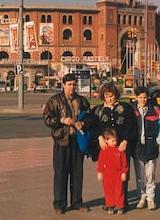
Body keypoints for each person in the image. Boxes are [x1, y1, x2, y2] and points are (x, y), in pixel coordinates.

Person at [43, 73, 93, 215]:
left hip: (78, 141)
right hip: (62, 141)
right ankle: (59, 204)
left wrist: (83, 123)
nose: (72, 87)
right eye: (69, 84)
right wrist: (63, 121)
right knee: (60, 173)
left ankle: (77, 202)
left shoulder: (82, 101)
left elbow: (91, 118)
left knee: (77, 173)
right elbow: (47, 119)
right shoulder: (54, 101)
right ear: (63, 85)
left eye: (74, 84)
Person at [91, 82, 137, 209]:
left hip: (121, 147)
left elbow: (131, 125)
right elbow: (94, 126)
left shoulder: (126, 108)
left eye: (111, 96)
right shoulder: (98, 110)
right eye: (106, 96)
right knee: (107, 178)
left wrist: (126, 140)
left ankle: (123, 201)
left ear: (116, 95)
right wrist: (100, 138)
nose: (109, 99)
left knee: (122, 175)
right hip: (106, 149)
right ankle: (110, 202)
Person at [131, 86, 160, 210]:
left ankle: (151, 198)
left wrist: (157, 142)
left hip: (151, 147)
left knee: (150, 174)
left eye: (145, 97)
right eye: (140, 97)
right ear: (136, 98)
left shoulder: (155, 110)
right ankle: (142, 197)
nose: (143, 100)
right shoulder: (132, 110)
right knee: (140, 176)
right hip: (137, 148)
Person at [96, 128, 128, 215]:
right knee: (108, 191)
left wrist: (124, 172)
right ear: (106, 140)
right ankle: (110, 206)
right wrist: (100, 172)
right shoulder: (104, 150)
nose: (115, 143)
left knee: (119, 190)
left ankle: (120, 206)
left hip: (118, 174)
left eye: (116, 140)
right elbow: (100, 162)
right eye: (112, 141)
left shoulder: (120, 150)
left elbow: (124, 162)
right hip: (107, 174)